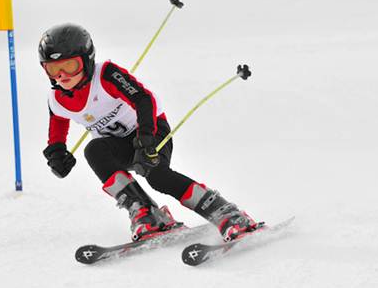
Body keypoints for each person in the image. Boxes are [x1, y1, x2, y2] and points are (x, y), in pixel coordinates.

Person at [40, 23, 258, 242]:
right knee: (94, 150)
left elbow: (144, 99)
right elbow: (57, 125)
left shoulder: (105, 74)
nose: (61, 76)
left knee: (157, 176)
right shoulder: (57, 98)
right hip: (116, 145)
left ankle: (227, 214)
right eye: (52, 68)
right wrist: (57, 153)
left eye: (69, 66)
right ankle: (146, 213)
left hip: (150, 131)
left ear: (86, 60)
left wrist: (145, 138)